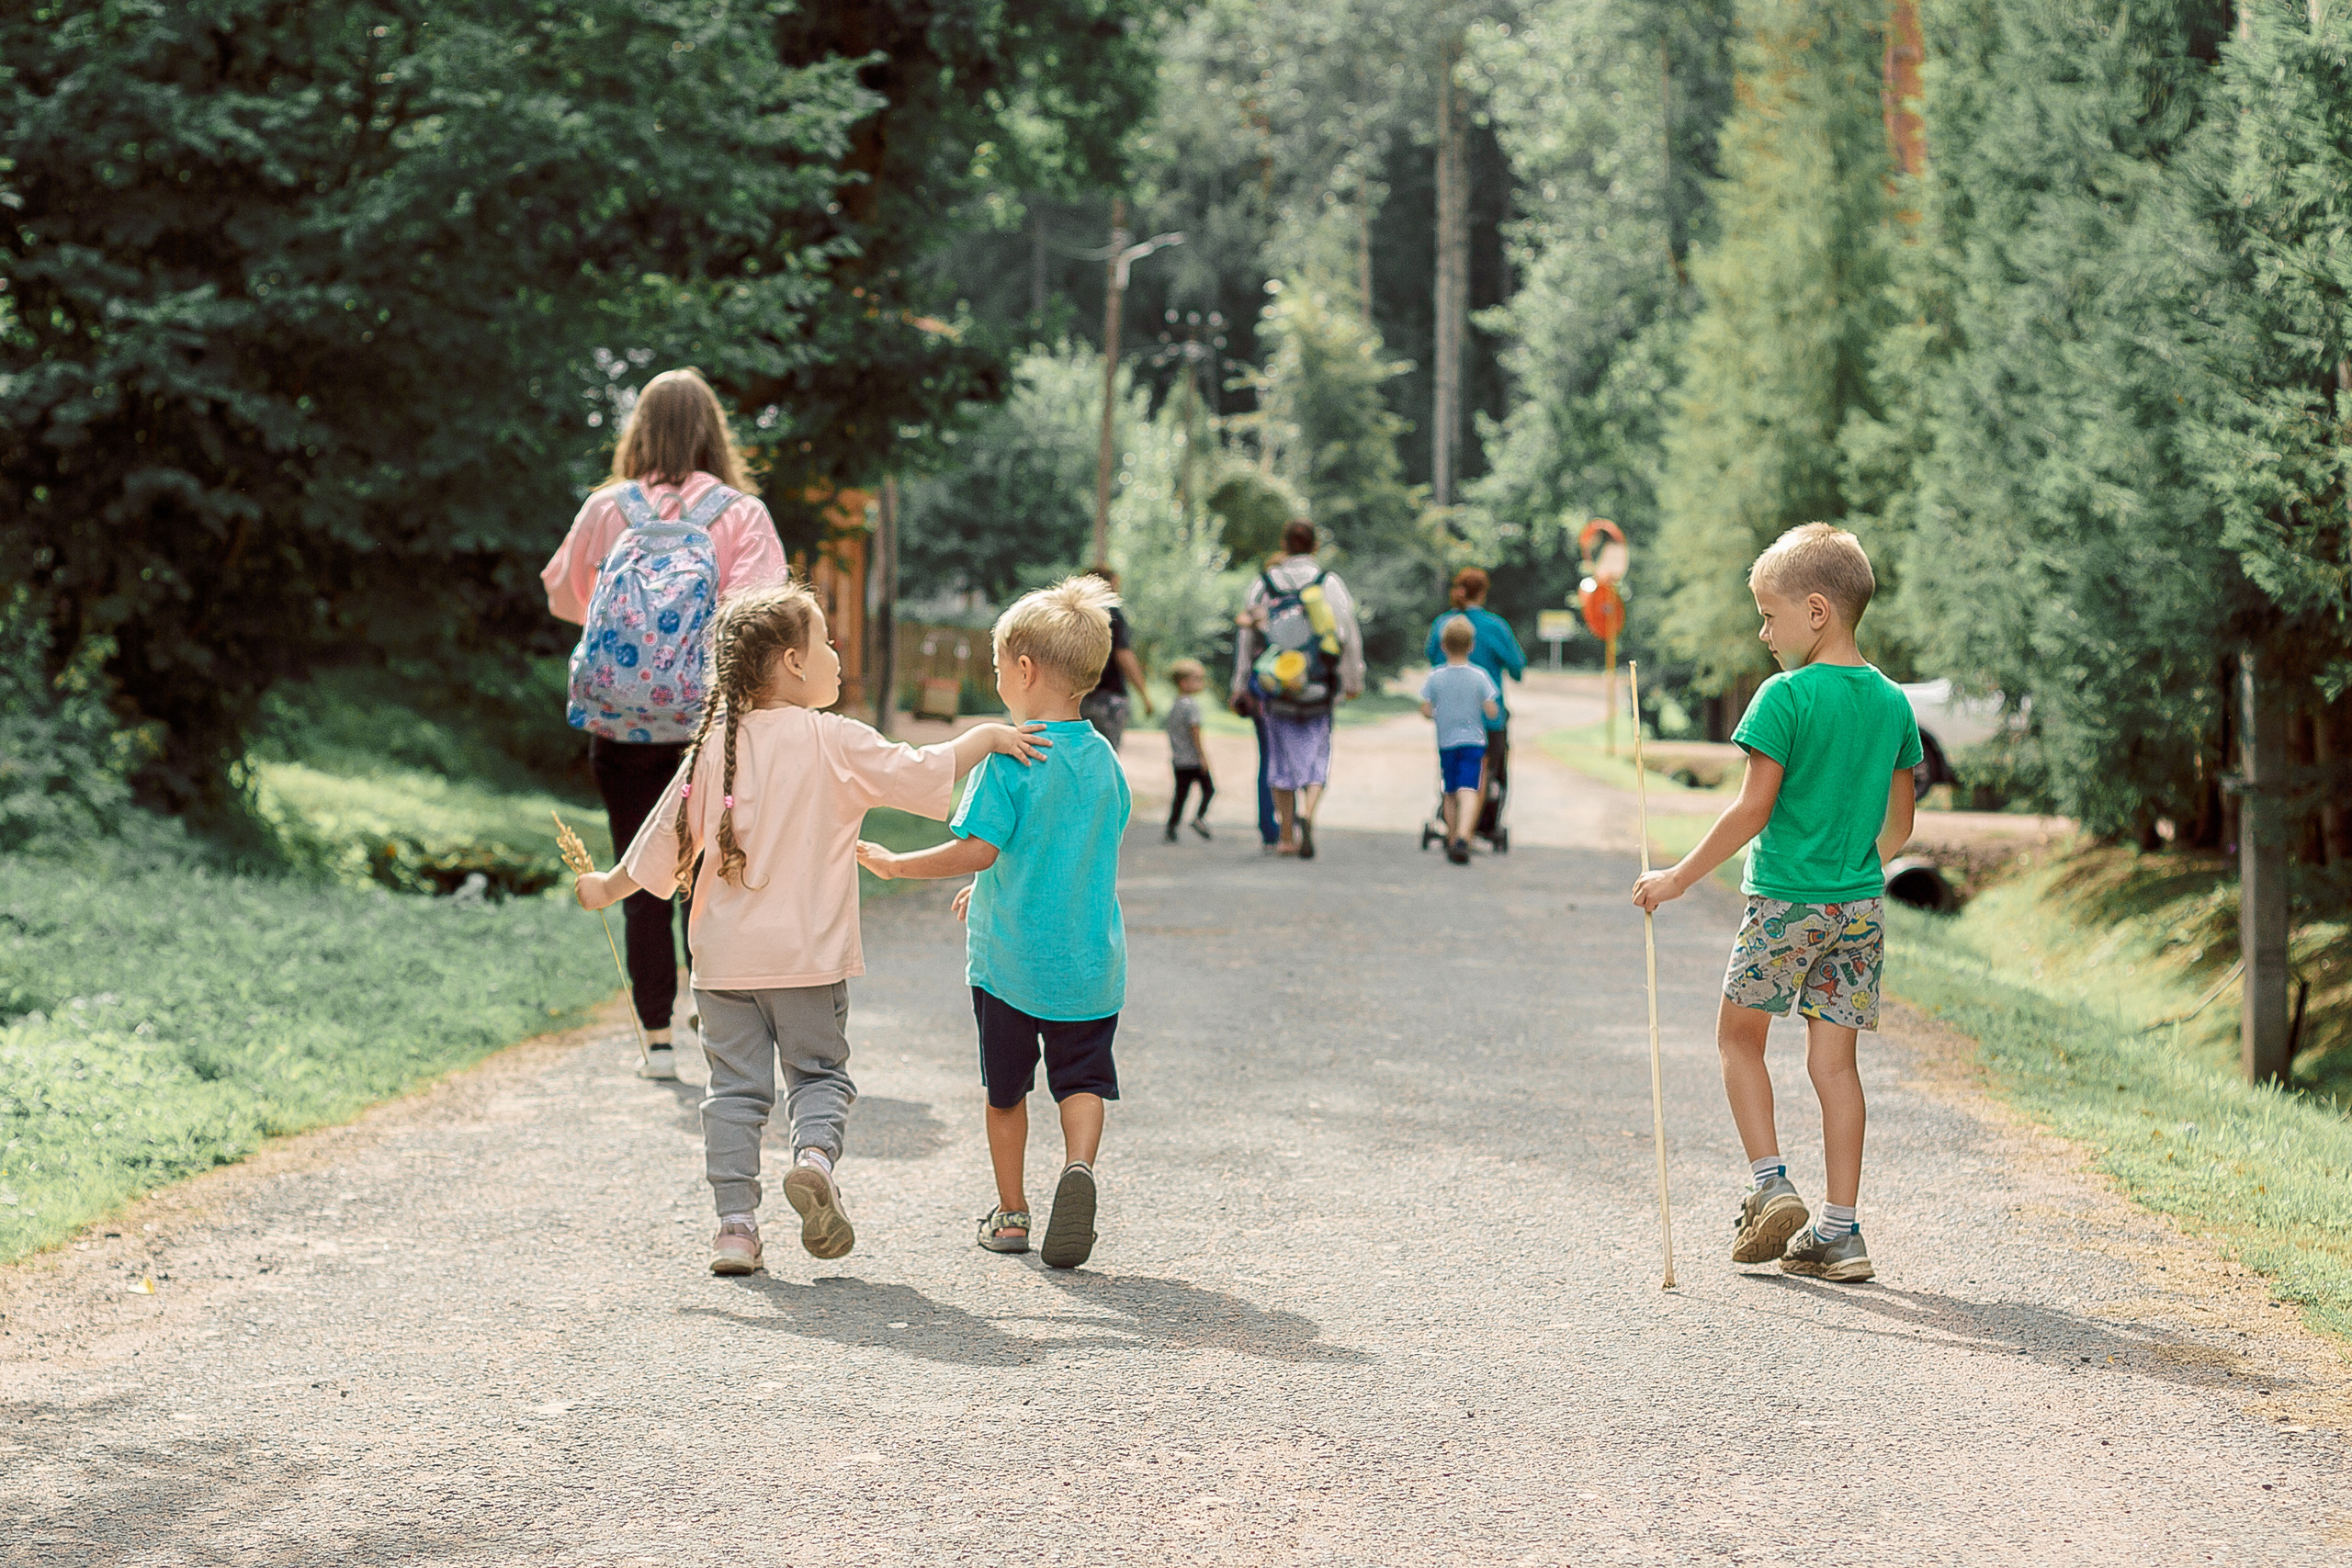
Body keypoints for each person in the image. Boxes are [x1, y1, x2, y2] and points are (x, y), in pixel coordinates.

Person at [572, 585, 1049, 1276]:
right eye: (827, 643)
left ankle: (735, 1229)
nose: (836, 655)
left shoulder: (718, 744)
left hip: (725, 963)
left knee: (733, 1092)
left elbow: (664, 840)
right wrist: (987, 736)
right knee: (819, 1076)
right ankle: (814, 1160)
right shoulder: (834, 740)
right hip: (808, 958)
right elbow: (920, 768)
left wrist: (606, 886)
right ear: (794, 661)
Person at [1629, 523, 1919, 1284]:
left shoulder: (1784, 697)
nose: (1763, 632)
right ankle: (1841, 1231)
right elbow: (1902, 824)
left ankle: (1769, 1185)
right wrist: (1857, 867)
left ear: (1816, 610)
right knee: (1835, 1067)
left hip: (1785, 903)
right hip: (1859, 909)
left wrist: (1677, 878)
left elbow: (1751, 809)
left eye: (1769, 614)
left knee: (1738, 1039)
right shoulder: (1892, 702)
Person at [856, 577, 1130, 1269]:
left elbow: (982, 846)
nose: (996, 676)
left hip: (1010, 963)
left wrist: (895, 865)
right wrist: (993, 881)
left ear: (1026, 669)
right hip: (1090, 967)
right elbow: (1063, 846)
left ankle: (1011, 1214)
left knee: (1006, 1092)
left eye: (997, 664)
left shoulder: (1010, 756)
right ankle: (1079, 1168)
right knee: (1084, 1080)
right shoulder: (1105, 761)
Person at [542, 367, 789, 1081]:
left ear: (639, 429)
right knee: (709, 871)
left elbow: (564, 595)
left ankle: (654, 1036)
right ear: (715, 430)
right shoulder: (741, 514)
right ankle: (707, 1009)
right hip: (704, 724)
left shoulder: (605, 509)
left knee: (634, 869)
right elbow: (759, 616)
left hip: (620, 727)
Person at [1230, 520, 1364, 859]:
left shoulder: (1263, 584)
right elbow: (1346, 633)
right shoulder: (1329, 584)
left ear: (1284, 544)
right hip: (1320, 688)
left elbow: (1247, 639)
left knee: (1278, 760)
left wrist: (1239, 684)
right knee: (1318, 755)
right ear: (1315, 545)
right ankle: (1309, 812)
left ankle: (1286, 836)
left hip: (1275, 689)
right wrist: (1352, 680)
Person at [1424, 567, 1526, 846]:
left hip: (1451, 715)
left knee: (1451, 772)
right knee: (1482, 771)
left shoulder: (1443, 624)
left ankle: (1452, 827)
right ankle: (1467, 834)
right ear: (1483, 592)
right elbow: (1517, 669)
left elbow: (1432, 660)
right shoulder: (1495, 627)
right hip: (1487, 717)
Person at [1419, 616, 1500, 865]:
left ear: (1443, 646)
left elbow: (1425, 709)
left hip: (1446, 743)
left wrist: (1439, 713)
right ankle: (1465, 836)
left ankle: (1452, 837)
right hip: (1474, 741)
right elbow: (1492, 711)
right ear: (1471, 646)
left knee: (1449, 790)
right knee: (1470, 789)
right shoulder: (1479, 676)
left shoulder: (1435, 676)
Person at [1079, 564, 1154, 749]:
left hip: (1078, 697)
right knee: (1106, 756)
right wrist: (1144, 695)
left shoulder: (1075, 613)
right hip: (1109, 697)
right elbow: (1124, 655)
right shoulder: (1113, 615)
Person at [1161, 658, 1216, 842]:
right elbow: (1195, 731)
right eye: (1197, 679)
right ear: (1184, 682)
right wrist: (1202, 756)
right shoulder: (1191, 706)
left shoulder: (1175, 705)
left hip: (1179, 760)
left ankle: (1171, 827)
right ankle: (1199, 817)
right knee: (1209, 789)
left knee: (1180, 795)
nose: (1201, 683)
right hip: (1192, 759)